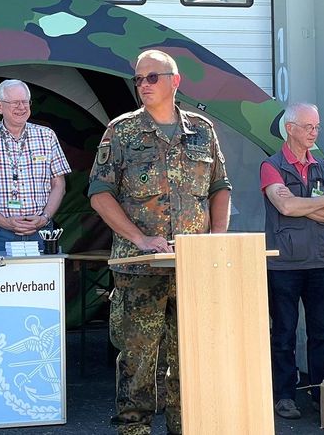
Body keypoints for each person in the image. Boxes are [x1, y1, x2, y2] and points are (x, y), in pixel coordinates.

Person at [88, 49, 231, 435]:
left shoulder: (202, 129)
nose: (143, 85)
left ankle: (186, 426)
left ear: (175, 81)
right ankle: (134, 429)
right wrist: (140, 238)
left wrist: (216, 240)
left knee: (189, 355)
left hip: (192, 266)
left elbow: (220, 187)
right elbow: (100, 193)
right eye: (138, 79)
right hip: (139, 268)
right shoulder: (121, 131)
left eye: (152, 77)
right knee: (138, 357)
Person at [260, 102, 324, 419]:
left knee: (322, 332)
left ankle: (323, 392)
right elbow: (286, 208)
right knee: (284, 333)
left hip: (319, 262)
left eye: (317, 127)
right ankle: (284, 395)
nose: (314, 132)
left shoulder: (322, 166)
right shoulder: (271, 166)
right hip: (283, 265)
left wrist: (304, 203)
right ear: (290, 128)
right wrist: (319, 203)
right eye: (309, 127)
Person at [0, 79, 71, 252]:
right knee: (1, 280)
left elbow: (59, 185)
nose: (21, 107)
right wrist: (3, 221)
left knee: (42, 279)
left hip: (41, 231)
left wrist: (44, 218)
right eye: (14, 102)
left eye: (25, 101)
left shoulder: (47, 136)